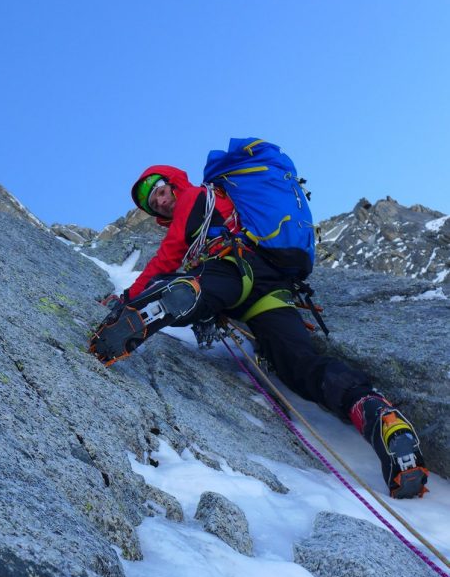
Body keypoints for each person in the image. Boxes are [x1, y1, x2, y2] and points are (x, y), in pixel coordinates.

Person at [89, 163, 428, 499]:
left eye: (160, 193)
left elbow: (166, 257)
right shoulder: (220, 198)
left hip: (233, 268)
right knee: (299, 364)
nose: (160, 203)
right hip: (271, 289)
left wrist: (126, 298)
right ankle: (375, 412)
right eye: (153, 204)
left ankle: (159, 304)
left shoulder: (194, 198)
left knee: (184, 288)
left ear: (173, 184)